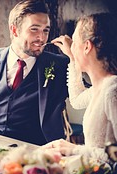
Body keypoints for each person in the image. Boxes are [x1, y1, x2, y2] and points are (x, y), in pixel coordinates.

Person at [0, 0, 69, 145]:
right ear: (14, 30)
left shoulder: (59, 65)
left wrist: (75, 58)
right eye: (34, 29)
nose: (42, 37)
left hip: (38, 152)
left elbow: (92, 92)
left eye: (46, 30)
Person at [43, 12, 117, 160]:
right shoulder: (101, 87)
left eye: (74, 43)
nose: (71, 48)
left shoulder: (112, 92)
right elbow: (76, 100)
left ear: (87, 47)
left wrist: (74, 150)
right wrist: (72, 57)